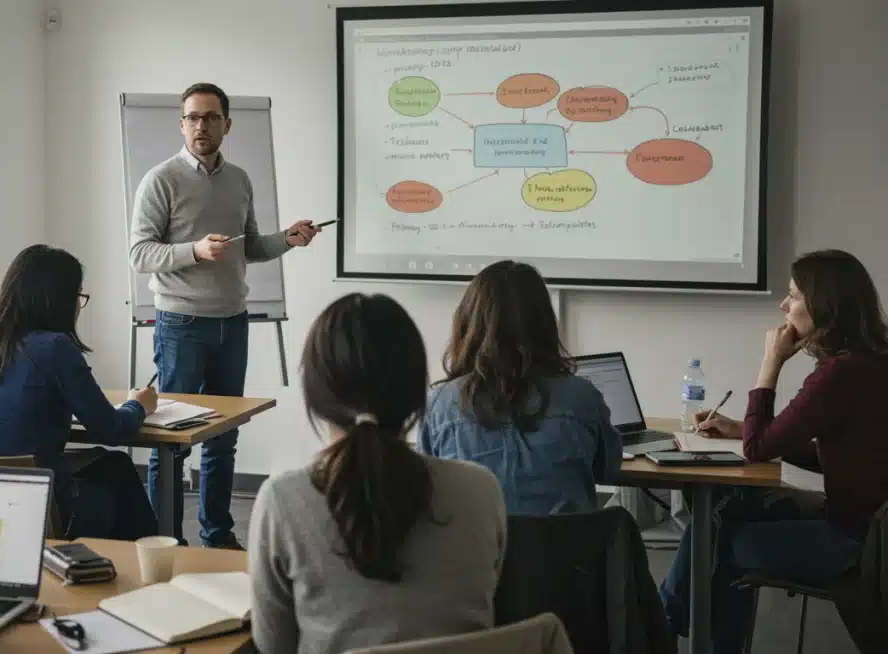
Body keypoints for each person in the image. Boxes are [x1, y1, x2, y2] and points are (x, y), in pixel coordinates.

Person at [248, 293, 508, 654]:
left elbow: (273, 646)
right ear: (417, 390)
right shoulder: (481, 491)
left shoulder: (282, 501)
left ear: (315, 392)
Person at [659, 249, 888, 653]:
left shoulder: (840, 373)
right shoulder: (873, 359)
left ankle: (664, 622)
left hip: (854, 542)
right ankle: (667, 617)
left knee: (718, 542)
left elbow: (757, 448)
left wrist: (771, 362)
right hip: (870, 527)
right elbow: (849, 454)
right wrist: (742, 429)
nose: (784, 306)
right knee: (722, 512)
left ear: (825, 305)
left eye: (794, 295)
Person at [128, 82, 323, 548]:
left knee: (223, 435)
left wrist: (288, 239)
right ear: (181, 124)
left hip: (233, 323)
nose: (201, 126)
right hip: (181, 325)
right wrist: (194, 250)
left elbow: (249, 246)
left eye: (211, 117)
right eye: (193, 117)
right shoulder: (161, 179)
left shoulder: (239, 179)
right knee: (169, 437)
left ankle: (217, 535)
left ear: (227, 125)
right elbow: (140, 254)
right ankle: (167, 538)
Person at [0, 245, 159, 540]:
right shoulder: (54, 348)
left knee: (110, 464)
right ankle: (153, 554)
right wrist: (137, 405)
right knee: (117, 473)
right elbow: (111, 429)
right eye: (78, 295)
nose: (79, 305)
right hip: (32, 502)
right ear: (59, 300)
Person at [419, 261, 623, 515]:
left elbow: (426, 487)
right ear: (545, 323)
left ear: (468, 323)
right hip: (566, 554)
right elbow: (608, 469)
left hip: (476, 553)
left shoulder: (438, 405)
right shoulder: (582, 398)